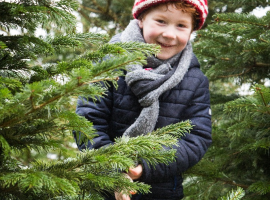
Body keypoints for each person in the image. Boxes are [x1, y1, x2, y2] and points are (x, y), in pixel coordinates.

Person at [74, 0, 211, 199]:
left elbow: (196, 138)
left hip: (163, 191)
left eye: (181, 25)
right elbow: (87, 121)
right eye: (161, 21)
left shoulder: (195, 80)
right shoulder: (110, 63)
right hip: (101, 187)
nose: (170, 34)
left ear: (191, 31)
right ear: (141, 19)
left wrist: (143, 167)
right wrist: (115, 169)